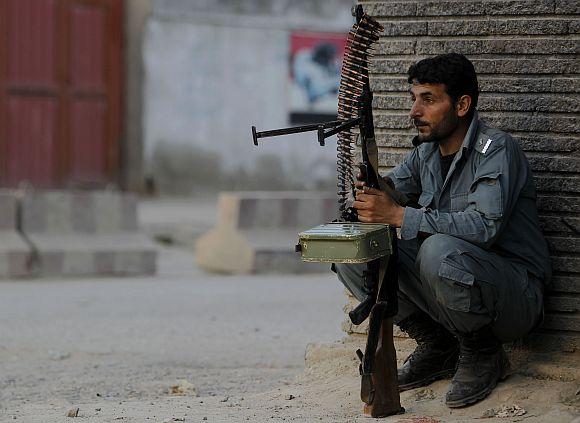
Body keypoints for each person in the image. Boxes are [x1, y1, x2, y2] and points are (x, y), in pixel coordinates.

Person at [334, 53, 551, 408]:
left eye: (428, 99)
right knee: (355, 250)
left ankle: (483, 352)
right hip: (453, 285)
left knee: (437, 249)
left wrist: (400, 215)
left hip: (513, 294)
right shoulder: (426, 153)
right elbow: (394, 193)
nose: (414, 111)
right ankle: (438, 345)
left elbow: (484, 228)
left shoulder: (496, 150)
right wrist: (372, 189)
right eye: (413, 99)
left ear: (462, 104)